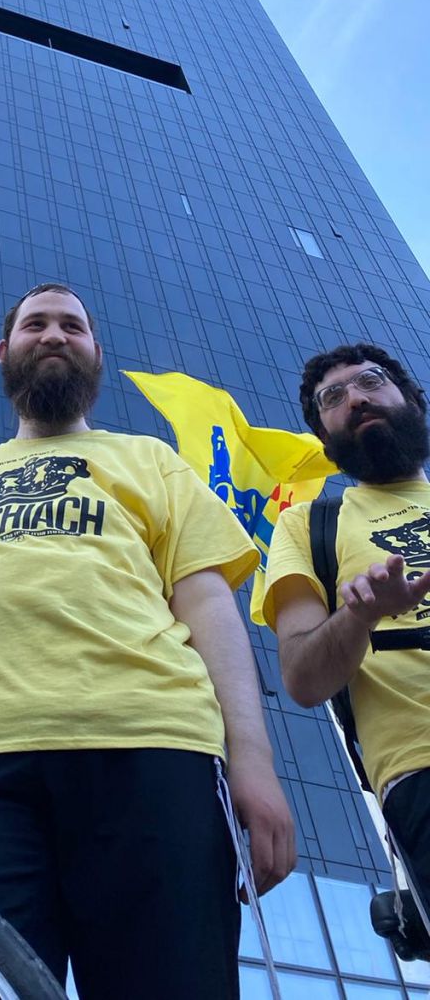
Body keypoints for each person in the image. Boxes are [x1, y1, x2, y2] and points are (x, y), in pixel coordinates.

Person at [0, 283, 296, 998]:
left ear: (96, 353)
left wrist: (254, 762)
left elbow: (210, 606)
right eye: (36, 324)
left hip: (153, 746)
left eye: (72, 325)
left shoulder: (152, 459)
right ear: (4, 351)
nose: (54, 334)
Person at [263, 342, 430, 906]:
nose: (355, 399)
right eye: (332, 398)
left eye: (370, 381)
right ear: (324, 440)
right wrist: (359, 614)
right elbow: (304, 679)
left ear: (412, 399)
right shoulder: (308, 526)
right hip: (420, 769)